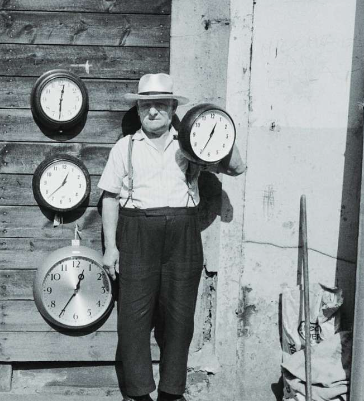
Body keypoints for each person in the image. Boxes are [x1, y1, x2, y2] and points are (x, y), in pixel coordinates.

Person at [98, 73, 246, 401]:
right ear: (138, 111)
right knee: (133, 319)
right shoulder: (125, 147)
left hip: (184, 234)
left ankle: (172, 391)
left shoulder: (191, 144)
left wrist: (217, 131)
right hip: (136, 232)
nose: (153, 112)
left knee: (181, 317)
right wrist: (111, 247)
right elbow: (109, 197)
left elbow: (237, 167)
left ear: (173, 107)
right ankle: (137, 393)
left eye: (161, 105)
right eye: (147, 105)